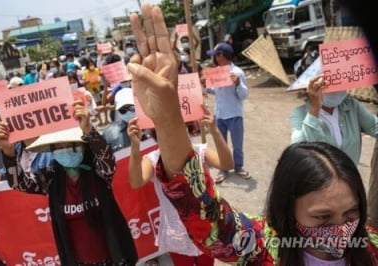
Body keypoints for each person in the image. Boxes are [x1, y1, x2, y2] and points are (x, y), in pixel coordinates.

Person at [127, 4, 378, 265]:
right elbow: (206, 215)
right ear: (288, 211)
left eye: (351, 214)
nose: (341, 231)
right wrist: (168, 117)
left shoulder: (372, 247)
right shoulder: (264, 248)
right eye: (322, 217)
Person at [0, 101, 138, 265]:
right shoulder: (51, 178)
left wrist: (89, 129)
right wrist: (8, 152)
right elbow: (19, 183)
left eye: (71, 144)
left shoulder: (99, 171)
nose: (65, 149)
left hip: (115, 258)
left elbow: (107, 158)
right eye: (59, 146)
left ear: (83, 145)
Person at [127, 105, 233, 265]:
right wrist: (135, 147)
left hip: (207, 231)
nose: (173, 135)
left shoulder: (200, 152)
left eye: (179, 128)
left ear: (188, 129)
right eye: (166, 130)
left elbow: (227, 164)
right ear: (157, 133)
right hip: (177, 234)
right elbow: (136, 182)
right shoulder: (153, 159)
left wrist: (215, 131)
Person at [290, 75, 378, 164]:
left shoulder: (352, 106)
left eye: (338, 83)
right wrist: (314, 109)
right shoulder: (300, 113)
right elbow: (298, 148)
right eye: (327, 84)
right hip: (318, 176)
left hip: (348, 175)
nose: (335, 90)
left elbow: (374, 126)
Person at [203, 42, 251, 182]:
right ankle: (223, 169)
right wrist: (204, 85)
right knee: (221, 144)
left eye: (216, 55)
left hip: (235, 114)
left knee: (237, 145)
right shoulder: (216, 72)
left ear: (221, 56)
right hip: (220, 115)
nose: (215, 58)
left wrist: (237, 84)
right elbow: (214, 91)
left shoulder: (237, 73)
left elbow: (243, 95)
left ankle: (238, 167)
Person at [102, 87, 135, 151]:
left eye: (131, 108)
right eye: (122, 110)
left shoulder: (153, 127)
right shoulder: (109, 134)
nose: (128, 112)